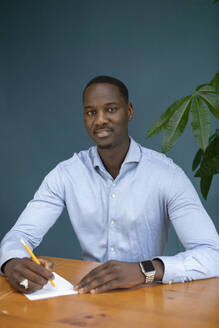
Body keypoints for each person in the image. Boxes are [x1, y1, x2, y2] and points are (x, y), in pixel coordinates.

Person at [0, 75, 219, 295]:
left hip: (148, 300)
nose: (100, 120)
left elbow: (213, 254)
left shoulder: (167, 175)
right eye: (91, 112)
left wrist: (145, 270)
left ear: (129, 111)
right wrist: (12, 264)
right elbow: (20, 235)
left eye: (111, 109)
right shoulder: (65, 174)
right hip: (87, 297)